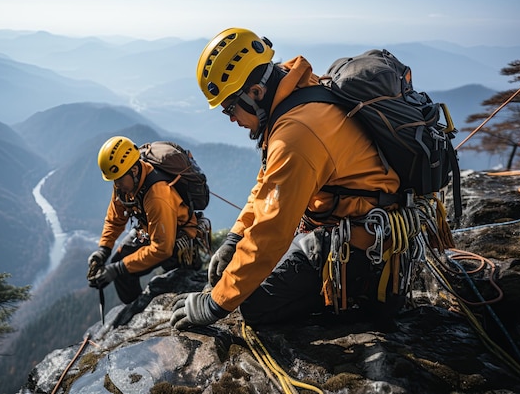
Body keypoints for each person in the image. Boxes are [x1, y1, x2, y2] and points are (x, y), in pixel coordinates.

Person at [171, 28, 402, 330]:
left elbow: (273, 231)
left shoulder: (296, 133)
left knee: (255, 305)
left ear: (255, 92)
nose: (230, 118)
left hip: (364, 249)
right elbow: (267, 187)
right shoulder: (298, 94)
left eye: (230, 107)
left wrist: (215, 304)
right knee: (249, 274)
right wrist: (235, 238)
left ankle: (359, 305)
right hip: (360, 228)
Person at [87, 136, 211, 304]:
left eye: (119, 179)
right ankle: (136, 308)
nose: (116, 184)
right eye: (114, 179)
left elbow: (162, 249)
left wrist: (117, 269)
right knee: (120, 264)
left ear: (135, 171)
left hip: (178, 239)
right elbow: (114, 219)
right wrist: (103, 250)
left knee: (180, 280)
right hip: (151, 230)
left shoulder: (157, 195)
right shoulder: (124, 184)